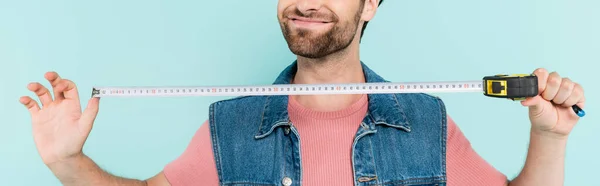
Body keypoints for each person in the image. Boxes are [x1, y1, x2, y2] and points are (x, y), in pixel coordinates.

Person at [20, 0, 585, 185]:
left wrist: (548, 137)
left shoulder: (426, 121)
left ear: (370, 4)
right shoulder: (231, 124)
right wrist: (68, 161)